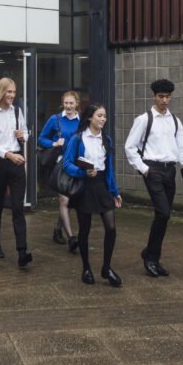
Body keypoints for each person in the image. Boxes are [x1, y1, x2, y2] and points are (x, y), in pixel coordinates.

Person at [124, 78, 183, 278]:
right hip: (152, 170)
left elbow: (182, 147)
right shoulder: (144, 119)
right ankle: (150, 258)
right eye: (161, 96)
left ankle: (152, 255)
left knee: (163, 216)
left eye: (168, 96)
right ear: (154, 96)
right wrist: (144, 169)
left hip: (170, 171)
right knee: (163, 213)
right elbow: (130, 147)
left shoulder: (175, 121)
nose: (165, 100)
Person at [62, 103, 122, 287]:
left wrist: (114, 192)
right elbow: (67, 164)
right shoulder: (77, 139)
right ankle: (86, 268)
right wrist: (83, 173)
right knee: (85, 230)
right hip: (84, 187)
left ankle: (106, 267)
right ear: (90, 117)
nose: (103, 119)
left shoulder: (107, 140)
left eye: (104, 116)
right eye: (99, 116)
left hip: (102, 186)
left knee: (111, 228)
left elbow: (109, 169)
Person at [0, 77, 32, 268]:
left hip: (17, 161)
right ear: (0, 92)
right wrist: (9, 155)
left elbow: (26, 133)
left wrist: (23, 136)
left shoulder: (17, 111)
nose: (12, 96)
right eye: (8, 92)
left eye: (13, 92)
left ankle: (22, 251)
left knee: (18, 207)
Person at [37, 91, 81, 251]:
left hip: (74, 165)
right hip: (59, 164)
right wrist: (54, 143)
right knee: (64, 200)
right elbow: (41, 138)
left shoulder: (81, 121)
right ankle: (71, 237)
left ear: (76, 103)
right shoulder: (55, 119)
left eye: (71, 103)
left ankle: (57, 230)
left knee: (69, 201)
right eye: (66, 103)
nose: (68, 106)